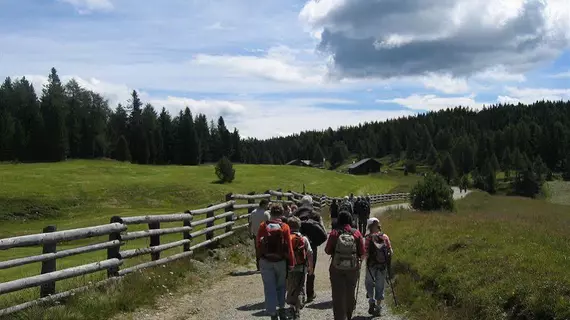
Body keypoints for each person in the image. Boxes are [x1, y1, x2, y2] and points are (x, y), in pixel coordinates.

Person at [257, 203, 295, 320]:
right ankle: (281, 309)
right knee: (281, 285)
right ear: (282, 213)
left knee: (269, 287)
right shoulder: (285, 227)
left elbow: (258, 244)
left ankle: (273, 314)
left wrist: (259, 260)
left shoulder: (263, 226)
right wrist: (291, 263)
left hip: (266, 260)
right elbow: (289, 246)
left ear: (270, 213)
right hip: (280, 261)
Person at [325, 211, 365, 320]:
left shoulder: (334, 233)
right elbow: (362, 252)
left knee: (337, 294)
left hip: (336, 267)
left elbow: (327, 250)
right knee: (350, 292)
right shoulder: (356, 233)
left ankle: (339, 317)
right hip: (352, 267)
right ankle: (349, 315)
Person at [293, 195, 327, 303]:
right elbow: (324, 232)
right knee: (311, 269)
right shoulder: (315, 215)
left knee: (299, 268)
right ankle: (310, 293)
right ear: (311, 204)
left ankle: (298, 294)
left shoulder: (295, 214)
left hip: (297, 245)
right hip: (312, 245)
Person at [286, 216, 314, 320]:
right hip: (301, 268)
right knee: (300, 287)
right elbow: (310, 253)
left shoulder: (286, 238)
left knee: (290, 287)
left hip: (288, 268)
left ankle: (292, 306)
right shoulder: (304, 238)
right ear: (299, 226)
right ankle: (298, 306)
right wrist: (311, 267)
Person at [364, 217, 393, 316]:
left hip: (371, 264)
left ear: (369, 226)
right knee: (380, 285)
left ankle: (371, 300)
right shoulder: (385, 237)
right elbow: (390, 251)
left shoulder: (368, 238)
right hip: (382, 265)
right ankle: (379, 307)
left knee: (369, 282)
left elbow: (365, 253)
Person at [250, 199, 270, 271]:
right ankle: (265, 264)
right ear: (264, 205)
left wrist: (250, 232)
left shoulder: (253, 212)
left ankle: (258, 265)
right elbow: (269, 223)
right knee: (265, 249)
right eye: (267, 205)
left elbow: (250, 223)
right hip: (264, 234)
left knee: (257, 249)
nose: (268, 206)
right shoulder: (266, 213)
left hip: (256, 234)